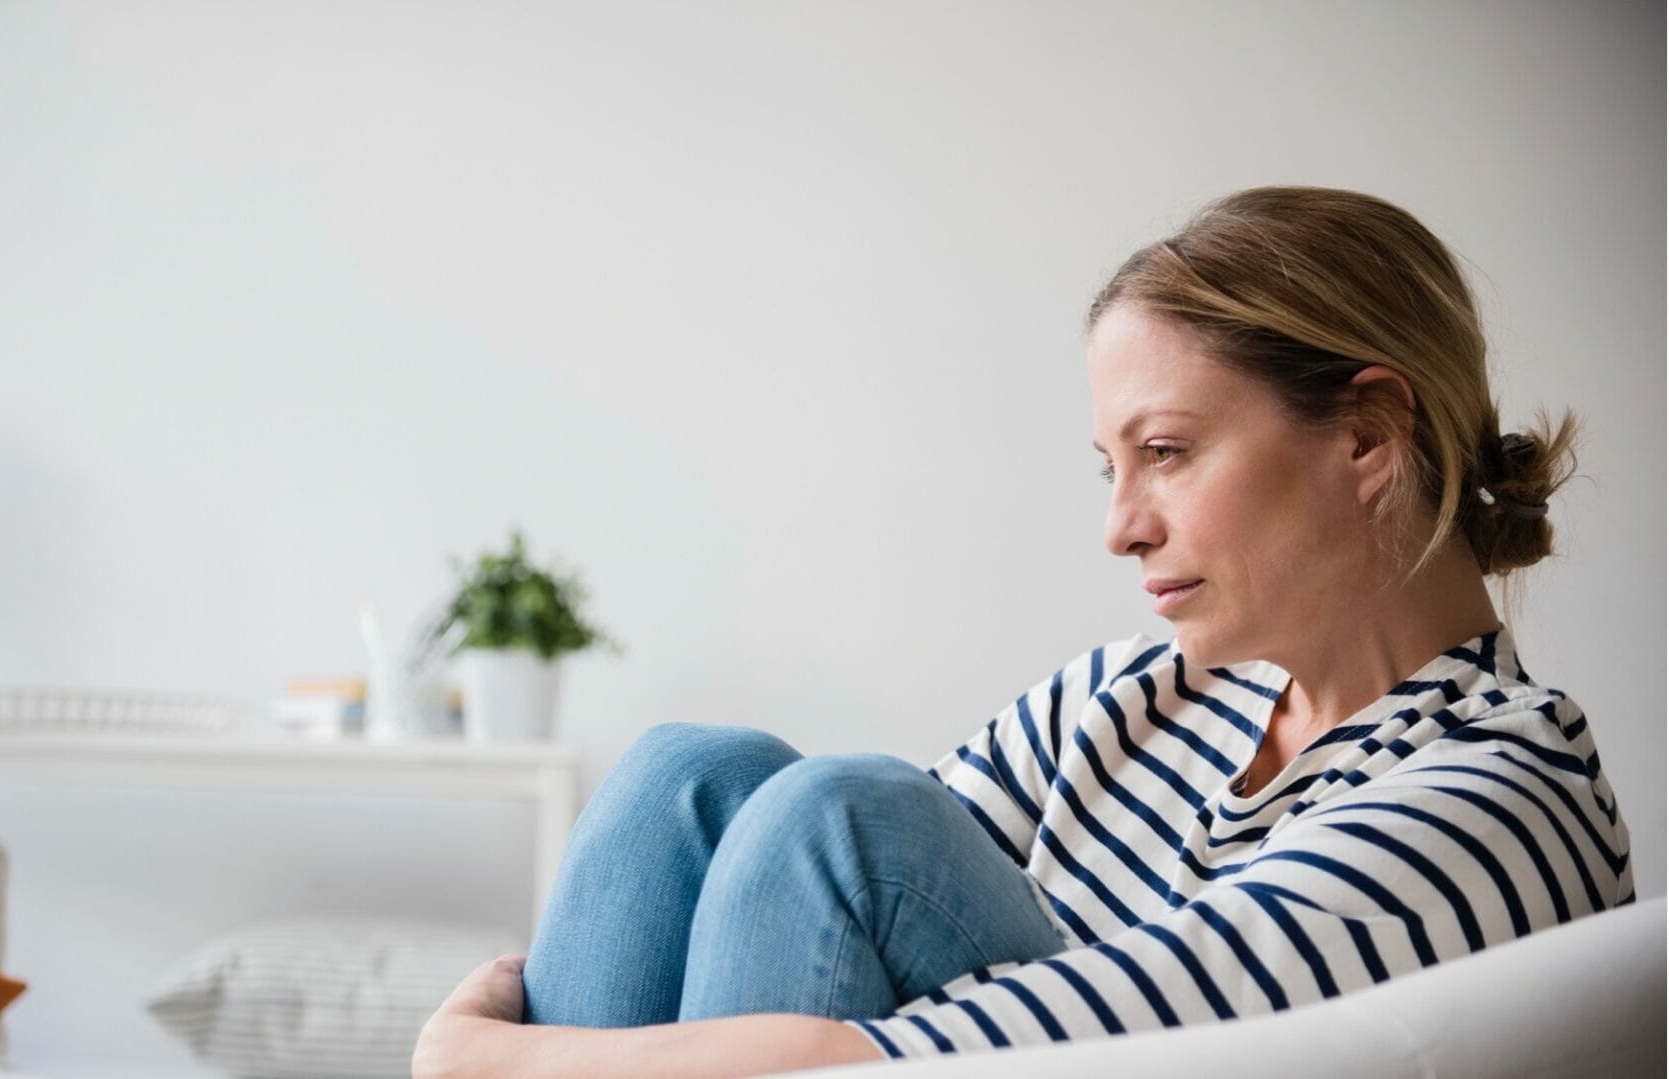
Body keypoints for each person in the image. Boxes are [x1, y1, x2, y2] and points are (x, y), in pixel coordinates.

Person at [412, 186, 1634, 1078]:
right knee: (694, 772)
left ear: (1368, 440)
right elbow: (806, 923)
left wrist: (496, 1059)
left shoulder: (1495, 790)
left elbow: (935, 1048)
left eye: (1165, 452)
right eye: (1109, 466)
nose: (1119, 528)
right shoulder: (1130, 694)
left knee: (838, 817)